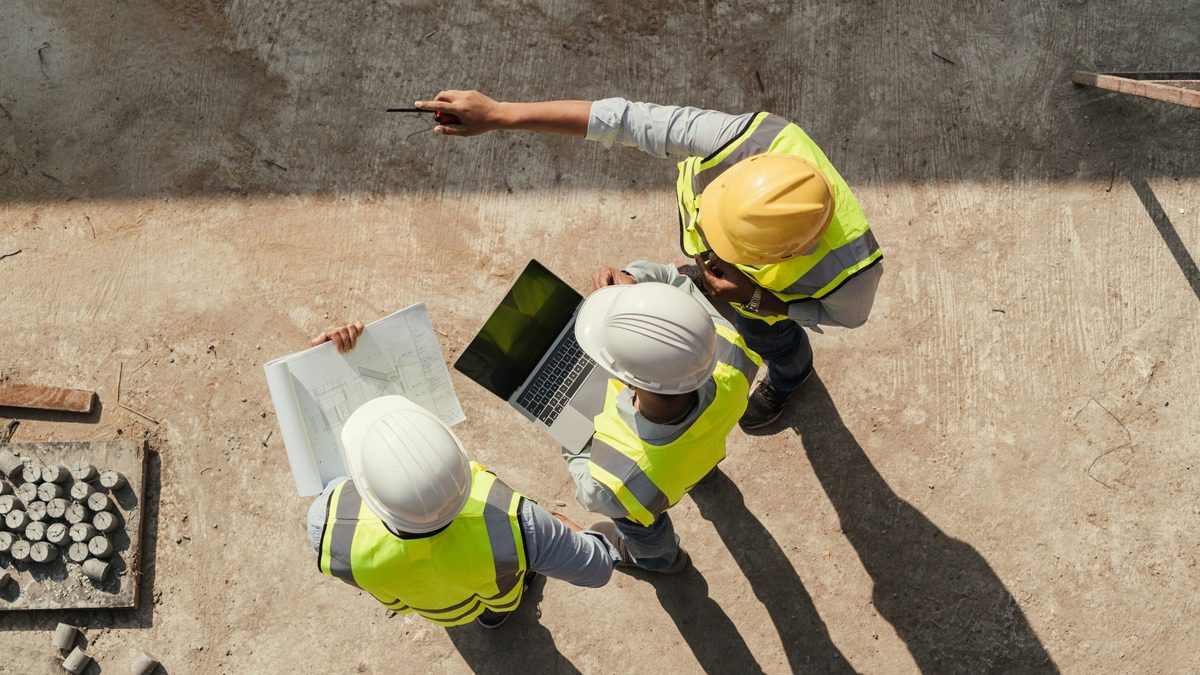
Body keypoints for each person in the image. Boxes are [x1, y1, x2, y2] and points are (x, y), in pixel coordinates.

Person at [413, 91, 883, 429]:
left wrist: (759, 301)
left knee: (775, 342)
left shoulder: (853, 273)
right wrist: (501, 114)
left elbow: (844, 318)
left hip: (764, 307)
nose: (709, 248)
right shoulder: (745, 139)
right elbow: (623, 120)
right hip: (741, 287)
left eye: (727, 246)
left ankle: (792, 376)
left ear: (788, 252)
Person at [306, 325, 621, 629]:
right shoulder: (519, 523)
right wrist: (554, 527)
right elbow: (596, 568)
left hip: (431, 607)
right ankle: (496, 614)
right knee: (501, 594)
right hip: (496, 593)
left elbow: (331, 473)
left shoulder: (327, 525)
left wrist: (325, 365)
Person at [561, 261, 761, 573]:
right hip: (697, 454)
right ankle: (703, 476)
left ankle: (661, 560)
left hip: (650, 488)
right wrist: (636, 284)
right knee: (692, 460)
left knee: (640, 526)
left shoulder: (615, 481)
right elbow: (675, 282)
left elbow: (590, 494)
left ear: (623, 379)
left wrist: (570, 438)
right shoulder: (731, 353)